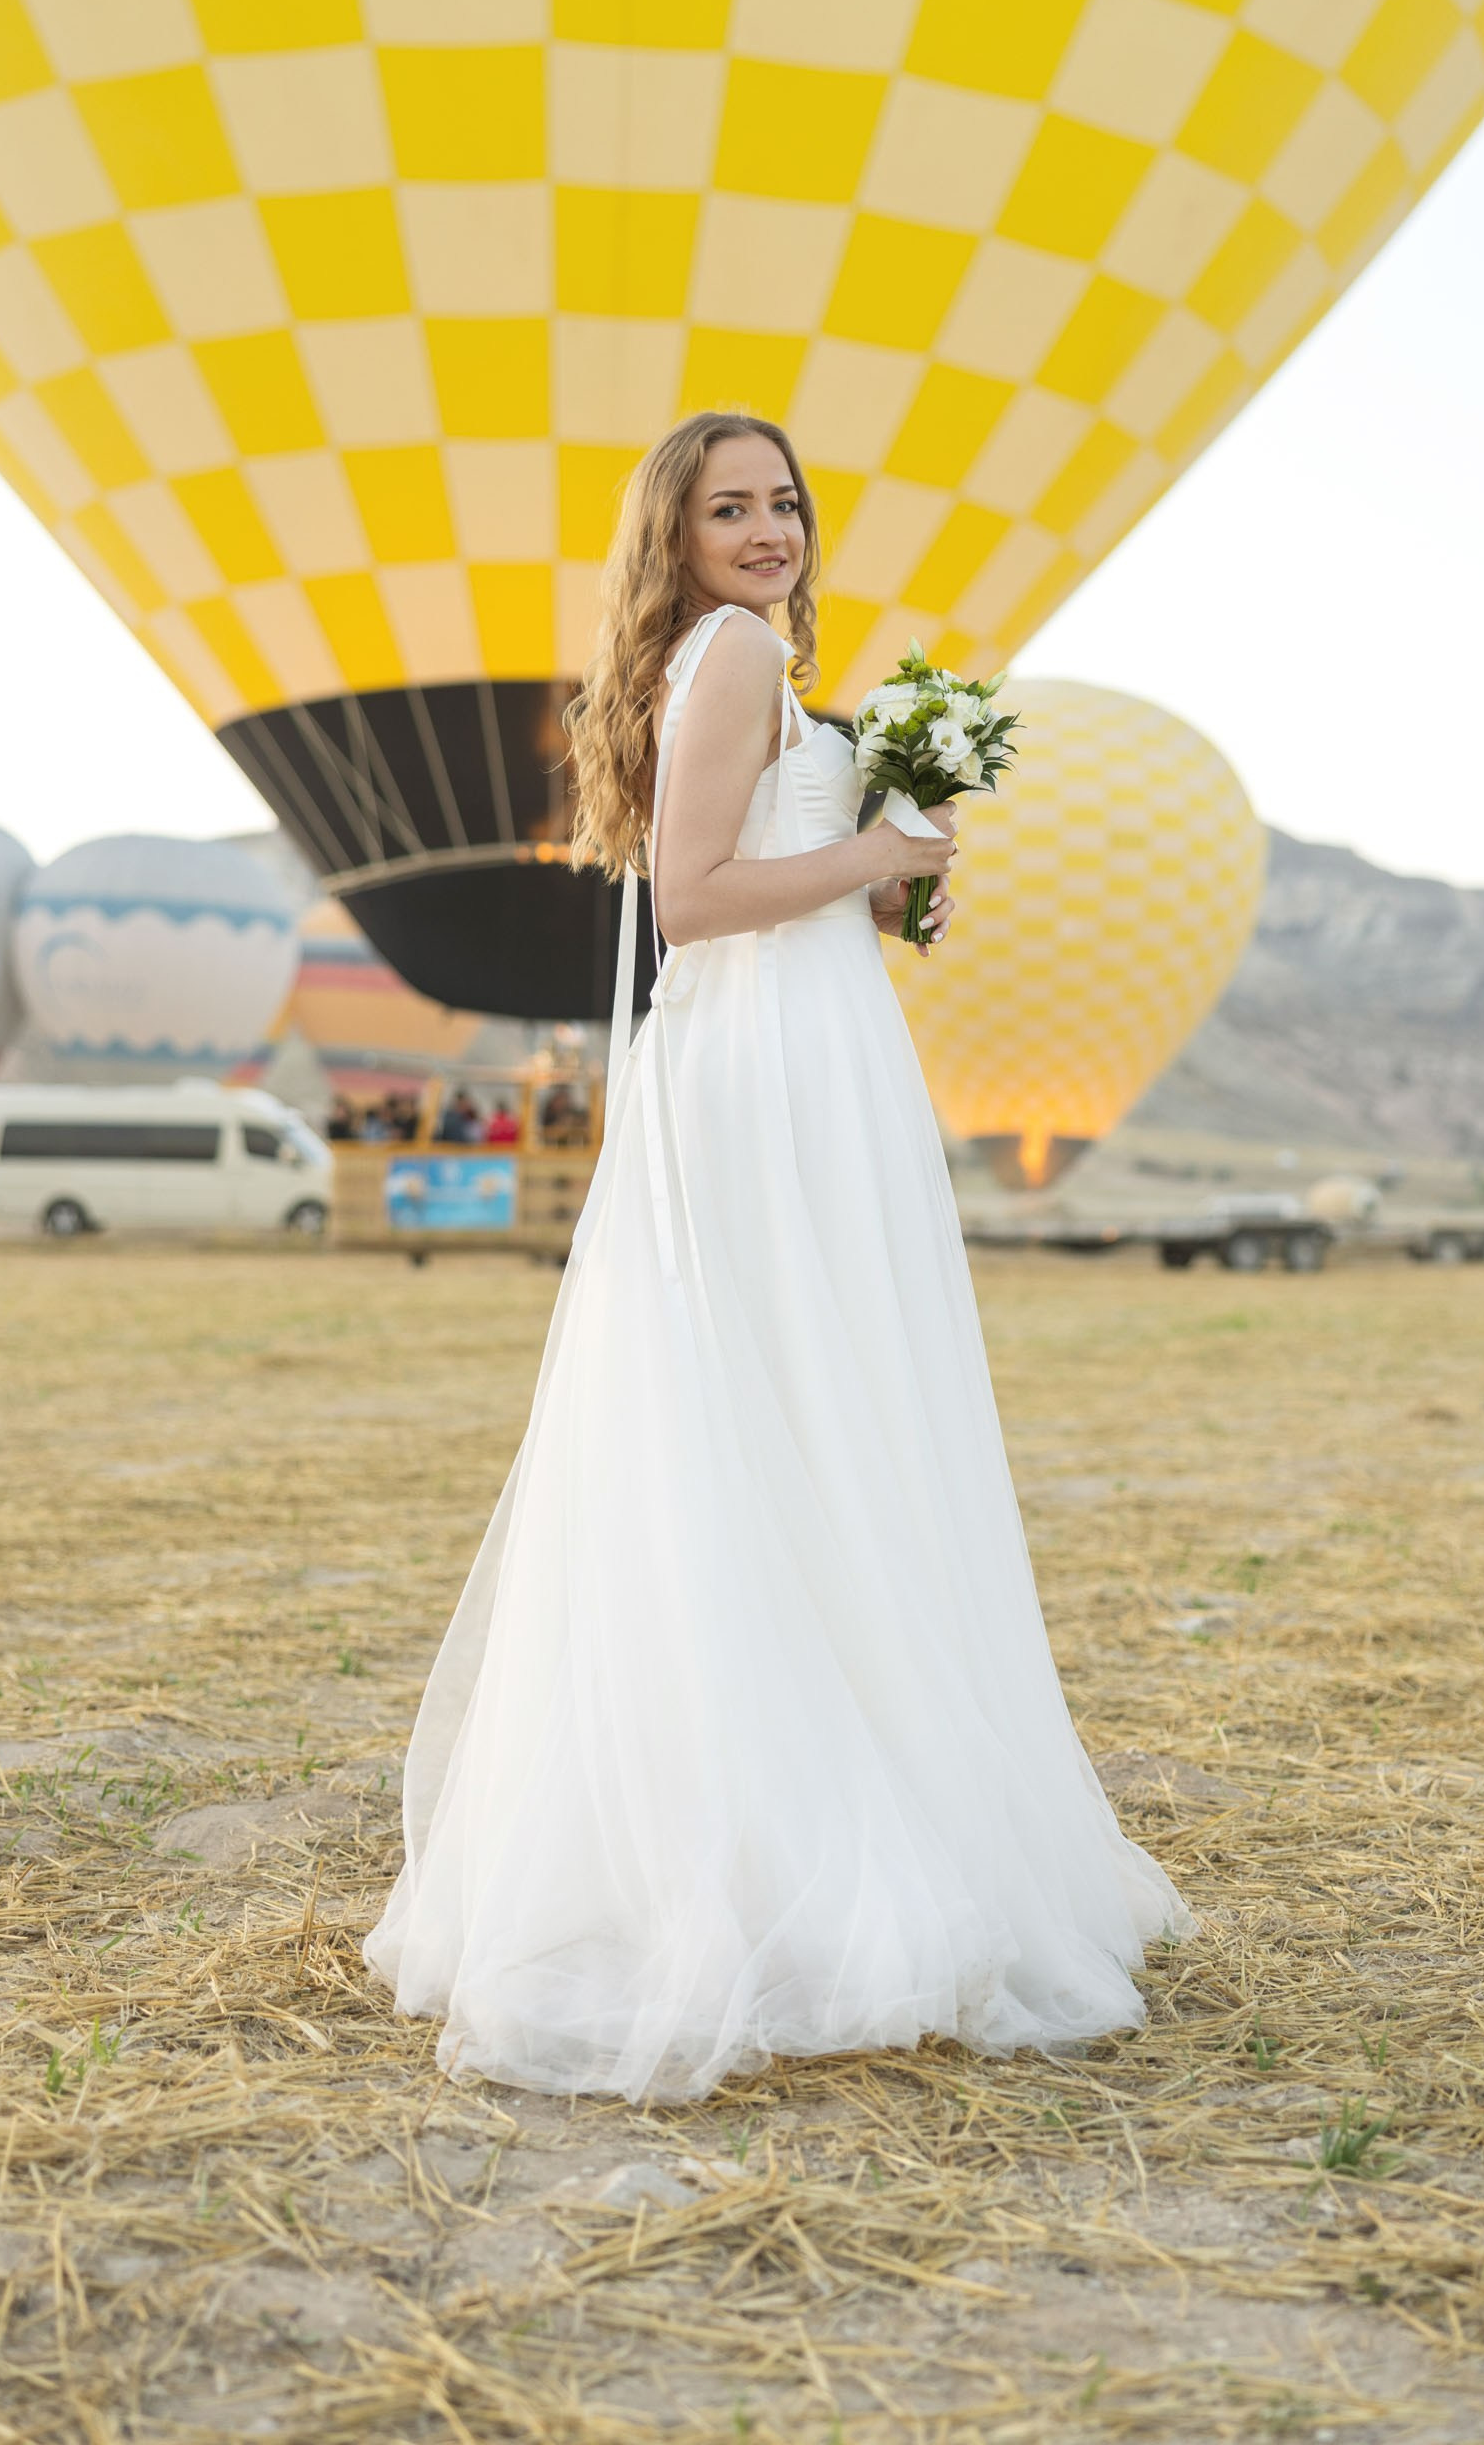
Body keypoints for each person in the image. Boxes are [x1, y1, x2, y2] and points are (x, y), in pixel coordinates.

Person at [365, 408, 1186, 2101]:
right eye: (728, 507)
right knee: (809, 1396)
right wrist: (875, 850)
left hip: (801, 1051)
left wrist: (889, 878)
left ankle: (797, 1794)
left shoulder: (754, 667)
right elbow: (689, 899)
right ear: (673, 537)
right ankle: (796, 1839)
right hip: (770, 1068)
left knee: (791, 1409)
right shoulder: (733, 652)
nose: (766, 530)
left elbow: (772, 883)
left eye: (784, 503)